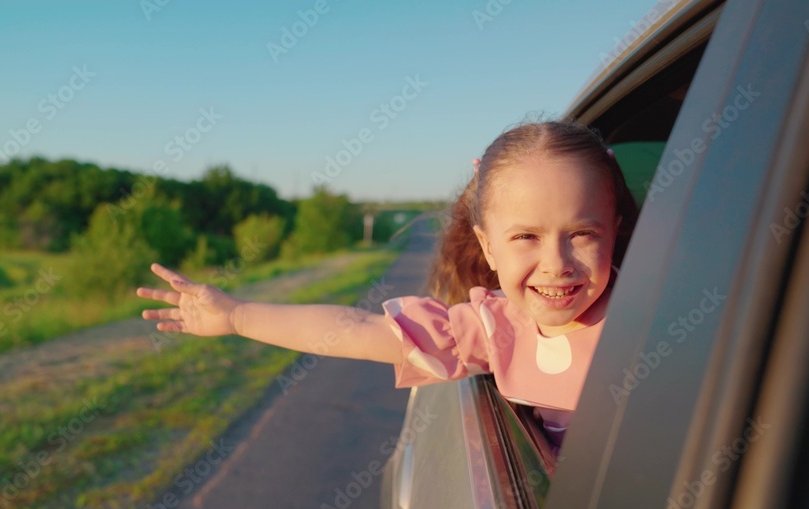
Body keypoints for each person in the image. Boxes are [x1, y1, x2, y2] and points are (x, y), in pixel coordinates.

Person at [136, 120, 638, 447]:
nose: (557, 263)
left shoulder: (653, 314)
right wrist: (237, 316)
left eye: (582, 233)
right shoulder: (492, 329)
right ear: (487, 246)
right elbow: (354, 329)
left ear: (613, 231)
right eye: (526, 235)